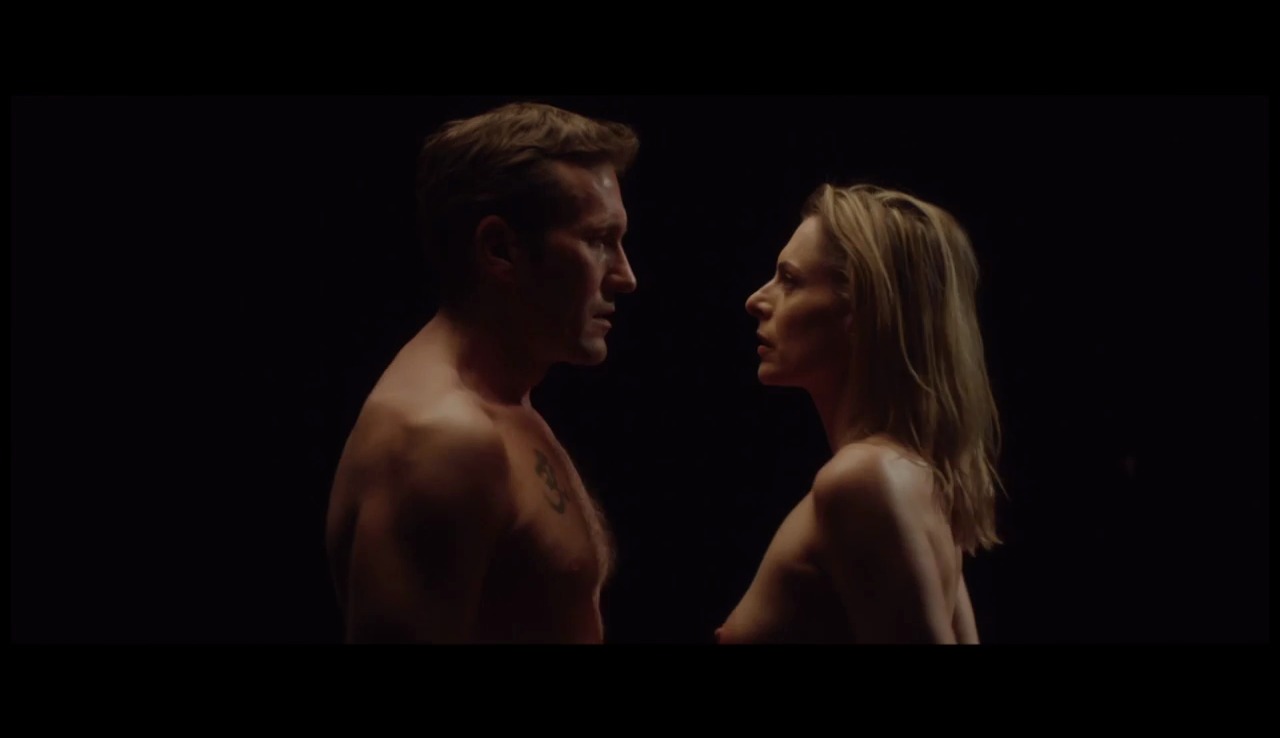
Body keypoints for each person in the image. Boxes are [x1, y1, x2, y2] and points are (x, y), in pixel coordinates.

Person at [324, 102, 639, 643]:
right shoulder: (441, 438)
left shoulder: (505, 398)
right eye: (597, 241)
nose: (626, 276)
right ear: (500, 249)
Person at [718, 183, 1003, 644]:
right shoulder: (915, 476)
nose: (756, 299)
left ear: (863, 310)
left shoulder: (862, 480)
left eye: (790, 280)